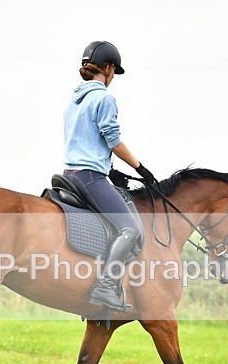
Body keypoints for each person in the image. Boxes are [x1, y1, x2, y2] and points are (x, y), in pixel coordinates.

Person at [63, 40, 155, 311]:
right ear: (108, 68)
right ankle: (105, 286)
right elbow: (113, 141)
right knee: (130, 228)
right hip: (90, 177)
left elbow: (83, 142)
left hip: (70, 174)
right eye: (114, 70)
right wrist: (140, 168)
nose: (113, 76)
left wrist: (111, 171)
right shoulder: (104, 98)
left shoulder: (73, 101)